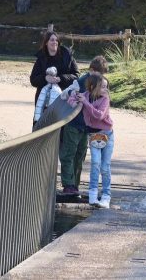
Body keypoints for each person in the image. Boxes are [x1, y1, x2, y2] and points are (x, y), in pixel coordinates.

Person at [59, 55, 109, 195]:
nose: (101, 77)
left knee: (80, 154)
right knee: (69, 153)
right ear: (92, 70)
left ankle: (75, 184)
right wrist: (72, 94)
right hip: (74, 124)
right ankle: (68, 184)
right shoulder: (82, 81)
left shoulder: (99, 84)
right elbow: (67, 93)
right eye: (99, 73)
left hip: (85, 126)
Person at [67, 73, 114, 208]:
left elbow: (99, 115)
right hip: (93, 135)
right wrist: (75, 98)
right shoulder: (86, 95)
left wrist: (85, 103)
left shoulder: (105, 99)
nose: (105, 89)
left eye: (106, 86)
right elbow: (71, 101)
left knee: (105, 166)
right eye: (102, 86)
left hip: (107, 134)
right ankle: (93, 195)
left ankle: (106, 196)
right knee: (95, 163)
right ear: (93, 87)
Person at [30, 31, 79, 105]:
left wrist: (61, 78)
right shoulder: (41, 58)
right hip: (44, 99)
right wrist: (45, 78)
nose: (55, 42)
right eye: (52, 40)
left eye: (56, 40)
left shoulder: (67, 56)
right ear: (46, 42)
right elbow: (33, 80)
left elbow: (76, 76)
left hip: (64, 97)